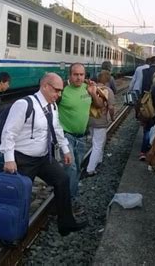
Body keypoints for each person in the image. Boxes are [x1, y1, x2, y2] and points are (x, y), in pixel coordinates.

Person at [0, 73, 88, 236]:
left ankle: (66, 224)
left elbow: (57, 129)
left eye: (61, 91)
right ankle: (10, 233)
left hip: (43, 158)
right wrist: (9, 159)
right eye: (57, 90)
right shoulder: (24, 105)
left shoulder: (52, 106)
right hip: (22, 159)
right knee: (20, 196)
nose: (59, 95)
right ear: (45, 86)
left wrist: (65, 149)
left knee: (62, 180)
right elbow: (8, 133)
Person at [58, 63, 104, 213]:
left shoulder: (88, 88)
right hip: (66, 136)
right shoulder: (62, 90)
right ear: (69, 75)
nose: (78, 77)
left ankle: (68, 196)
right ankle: (69, 203)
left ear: (85, 75)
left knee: (76, 169)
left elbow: (99, 105)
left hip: (81, 137)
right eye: (75, 74)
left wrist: (92, 93)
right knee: (70, 168)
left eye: (81, 75)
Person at [86, 70, 115, 176]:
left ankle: (98, 160)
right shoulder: (108, 91)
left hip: (90, 120)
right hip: (101, 122)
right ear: (108, 80)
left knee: (95, 142)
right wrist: (112, 117)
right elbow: (111, 108)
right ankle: (90, 169)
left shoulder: (90, 89)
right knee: (98, 145)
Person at [138, 55, 155, 160]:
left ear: (150, 62)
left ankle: (143, 151)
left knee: (146, 128)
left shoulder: (145, 72)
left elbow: (139, 87)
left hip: (146, 102)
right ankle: (152, 151)